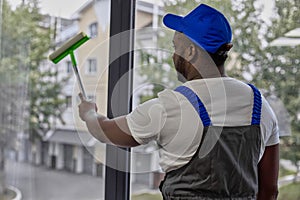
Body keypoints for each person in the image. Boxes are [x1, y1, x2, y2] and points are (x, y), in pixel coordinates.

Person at [78, 4, 279, 200]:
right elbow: (269, 191)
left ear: (190, 51)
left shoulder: (172, 106)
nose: (173, 56)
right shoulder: (260, 105)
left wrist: (89, 114)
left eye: (176, 47)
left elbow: (106, 131)